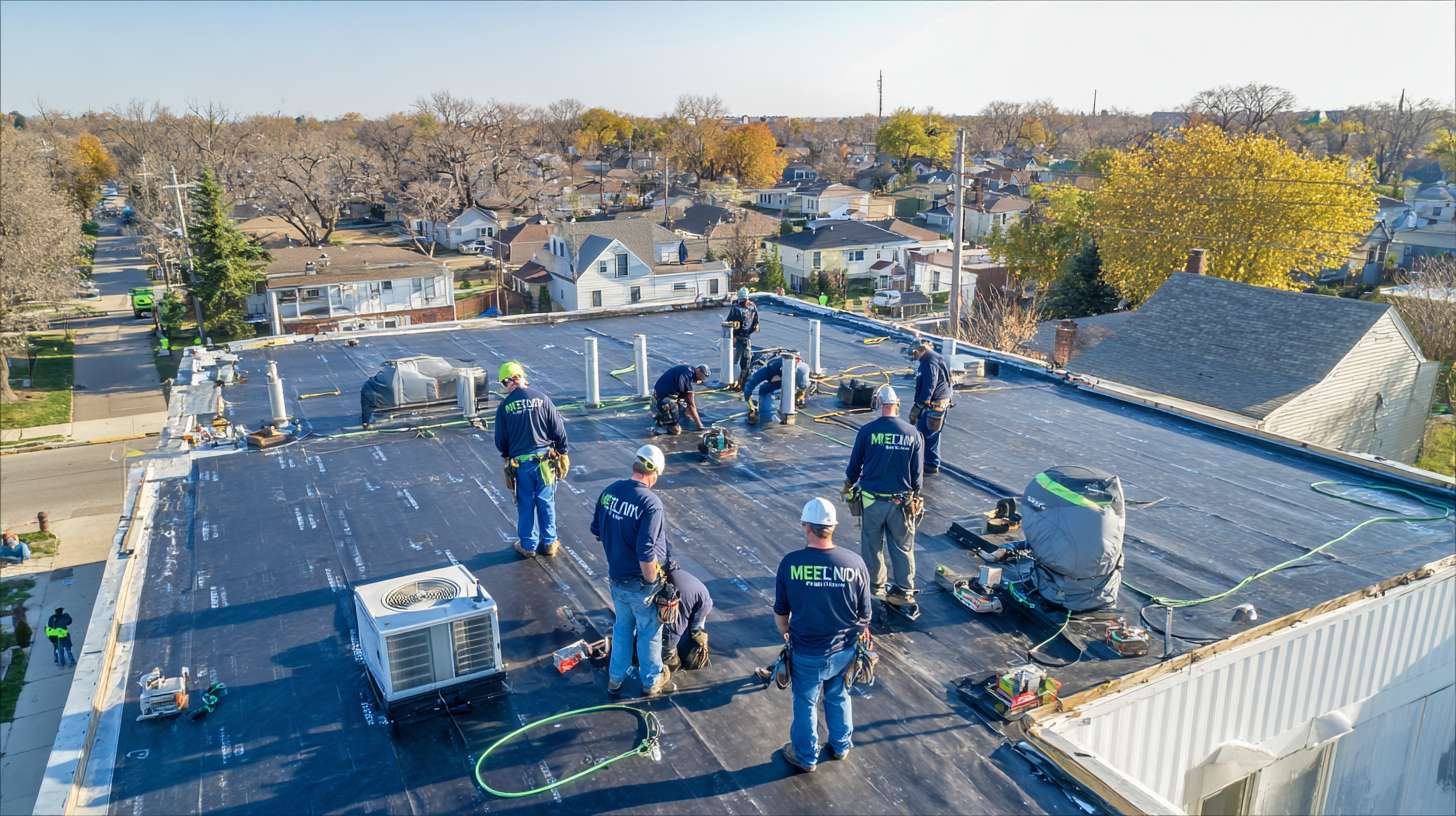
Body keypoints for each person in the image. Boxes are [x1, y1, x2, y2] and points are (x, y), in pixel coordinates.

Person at [773, 498, 873, 773]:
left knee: (805, 702)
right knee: (839, 695)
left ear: (807, 527)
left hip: (806, 651)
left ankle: (805, 757)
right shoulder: (855, 563)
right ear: (833, 527)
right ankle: (841, 746)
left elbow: (781, 612)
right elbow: (865, 615)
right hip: (843, 651)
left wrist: (786, 635)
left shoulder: (791, 563)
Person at [591, 444, 674, 697]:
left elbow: (597, 530)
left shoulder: (610, 491)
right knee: (649, 632)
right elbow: (646, 550)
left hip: (617, 578)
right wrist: (653, 583)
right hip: (640, 582)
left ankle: (615, 679)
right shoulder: (651, 503)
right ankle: (650, 681)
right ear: (655, 472)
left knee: (622, 628)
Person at [844, 385, 924, 615]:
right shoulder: (912, 433)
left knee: (872, 545)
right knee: (902, 547)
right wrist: (916, 496)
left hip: (871, 501)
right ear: (897, 404)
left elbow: (854, 466)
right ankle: (904, 590)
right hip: (902, 503)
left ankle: (875, 586)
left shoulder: (867, 431)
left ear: (878, 404)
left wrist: (848, 484)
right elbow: (917, 475)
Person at [494, 361, 570, 559]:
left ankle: (528, 545)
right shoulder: (542, 399)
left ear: (506, 382)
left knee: (526, 503)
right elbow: (558, 429)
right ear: (522, 377)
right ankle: (550, 542)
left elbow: (500, 441)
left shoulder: (504, 407)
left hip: (521, 464)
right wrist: (562, 452)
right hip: (544, 462)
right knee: (546, 501)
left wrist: (507, 455)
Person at [910, 341, 953, 475]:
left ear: (921, 350)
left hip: (934, 406)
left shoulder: (929, 362)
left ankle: (930, 464)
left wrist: (921, 404)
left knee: (927, 434)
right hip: (937, 403)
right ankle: (929, 462)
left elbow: (930, 384)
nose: (914, 355)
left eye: (915, 352)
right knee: (929, 434)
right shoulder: (932, 359)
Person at [660, 563, 713, 671]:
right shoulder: (674, 572)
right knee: (695, 632)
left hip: (684, 598)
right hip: (701, 595)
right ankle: (692, 655)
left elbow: (674, 630)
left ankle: (672, 660)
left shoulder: (662, 576)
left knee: (671, 638)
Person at [741, 354, 810, 424]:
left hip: (793, 376)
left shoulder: (801, 369)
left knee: (803, 385)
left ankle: (796, 401)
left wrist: (801, 393)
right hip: (776, 377)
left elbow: (804, 384)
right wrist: (750, 403)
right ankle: (765, 410)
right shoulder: (768, 370)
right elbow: (750, 384)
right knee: (764, 391)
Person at [652, 364, 710, 436]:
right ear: (698, 370)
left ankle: (665, 419)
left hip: (658, 395)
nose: (700, 380)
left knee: (684, 404)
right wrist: (700, 426)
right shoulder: (687, 377)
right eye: (701, 377)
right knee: (676, 431)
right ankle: (661, 426)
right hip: (663, 401)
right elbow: (691, 405)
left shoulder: (688, 370)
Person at [726, 288, 760, 390]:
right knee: (735, 361)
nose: (743, 303)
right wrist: (733, 337)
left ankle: (741, 383)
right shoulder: (736, 308)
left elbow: (756, 320)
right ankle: (732, 381)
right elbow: (729, 322)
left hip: (746, 338)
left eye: (744, 300)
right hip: (738, 338)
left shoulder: (752, 307)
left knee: (746, 362)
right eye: (742, 301)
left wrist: (756, 325)